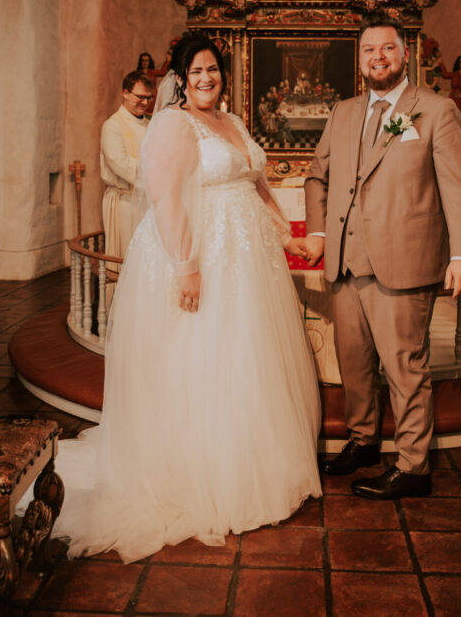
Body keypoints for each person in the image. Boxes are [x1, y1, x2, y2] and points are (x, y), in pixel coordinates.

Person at [52, 33, 322, 562]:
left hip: (249, 262)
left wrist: (284, 233)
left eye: (212, 70)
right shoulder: (174, 124)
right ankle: (202, 478)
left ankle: (252, 468)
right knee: (204, 357)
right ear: (180, 78)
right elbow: (165, 197)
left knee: (248, 358)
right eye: (195, 71)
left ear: (223, 75)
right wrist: (186, 265)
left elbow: (256, 183)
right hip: (203, 256)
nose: (206, 78)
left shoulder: (232, 120)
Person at [303, 14, 461, 500]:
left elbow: (459, 185)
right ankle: (363, 441)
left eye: (387, 48)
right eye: (368, 50)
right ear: (359, 59)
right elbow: (317, 175)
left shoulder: (436, 110)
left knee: (404, 367)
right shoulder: (343, 112)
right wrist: (318, 231)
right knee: (354, 363)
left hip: (405, 260)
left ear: (405, 54)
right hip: (346, 261)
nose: (377, 57)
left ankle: (413, 465)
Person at [100, 71, 154, 258]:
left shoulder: (151, 124)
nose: (145, 103)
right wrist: (156, 174)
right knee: (128, 254)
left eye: (149, 98)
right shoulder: (113, 125)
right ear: (125, 93)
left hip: (149, 200)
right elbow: (119, 162)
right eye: (140, 97)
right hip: (126, 201)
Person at [438, 53, 461, 118]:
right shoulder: (455, 74)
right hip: (452, 101)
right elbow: (445, 75)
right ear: (458, 64)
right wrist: (441, 63)